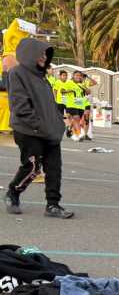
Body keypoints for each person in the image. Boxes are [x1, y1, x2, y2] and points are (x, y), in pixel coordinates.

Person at [4, 38, 73, 218]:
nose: (44, 57)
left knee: (54, 168)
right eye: (41, 53)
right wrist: (40, 125)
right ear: (29, 54)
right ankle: (13, 193)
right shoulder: (17, 73)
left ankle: (53, 205)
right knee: (33, 167)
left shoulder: (43, 78)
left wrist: (58, 123)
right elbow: (20, 106)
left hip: (49, 131)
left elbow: (50, 105)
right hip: (28, 130)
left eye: (46, 54)